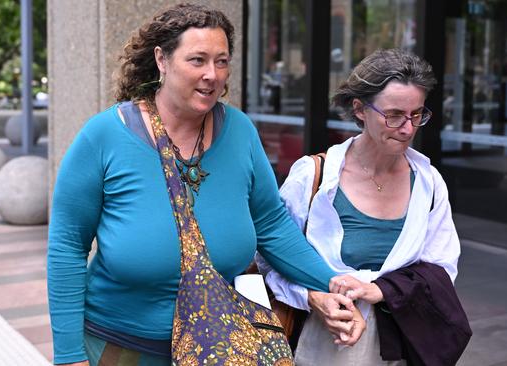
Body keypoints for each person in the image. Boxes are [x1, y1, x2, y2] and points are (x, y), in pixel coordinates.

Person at [47, 4, 363, 366]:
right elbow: (67, 247)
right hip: (121, 347)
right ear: (162, 61)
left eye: (222, 61)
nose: (212, 75)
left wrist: (333, 283)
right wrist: (69, 355)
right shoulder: (104, 136)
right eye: (197, 60)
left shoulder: (240, 131)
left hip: (219, 348)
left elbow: (272, 226)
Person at [263, 48, 470, 365]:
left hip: (398, 348)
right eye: (395, 114)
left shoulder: (428, 184)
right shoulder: (314, 177)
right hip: (319, 349)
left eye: (417, 114)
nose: (408, 128)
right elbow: (270, 261)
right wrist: (313, 298)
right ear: (359, 109)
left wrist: (383, 290)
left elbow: (441, 272)